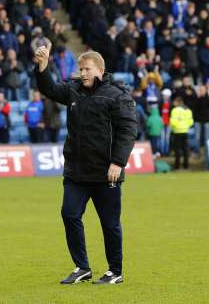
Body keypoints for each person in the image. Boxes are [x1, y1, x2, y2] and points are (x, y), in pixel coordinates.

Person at [34, 44, 137, 285]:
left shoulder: (116, 95)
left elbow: (128, 130)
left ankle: (115, 271)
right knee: (69, 214)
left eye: (87, 69)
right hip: (77, 172)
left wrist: (118, 163)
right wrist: (42, 67)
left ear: (100, 70)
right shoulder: (74, 91)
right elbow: (49, 88)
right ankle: (82, 267)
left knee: (109, 224)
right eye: (81, 69)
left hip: (105, 172)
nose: (83, 73)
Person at [169, 97, 194, 170]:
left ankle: (177, 166)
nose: (174, 103)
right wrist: (185, 126)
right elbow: (191, 122)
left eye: (175, 102)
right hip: (185, 131)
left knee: (177, 150)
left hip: (177, 131)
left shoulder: (175, 110)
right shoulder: (188, 110)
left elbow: (173, 122)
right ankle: (186, 165)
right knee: (185, 149)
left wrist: (176, 126)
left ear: (178, 102)